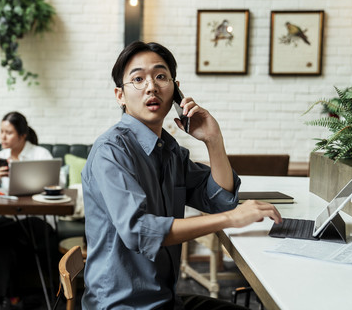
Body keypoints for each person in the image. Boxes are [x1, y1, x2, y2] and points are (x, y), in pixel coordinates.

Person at [81, 41, 282, 310]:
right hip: (123, 304)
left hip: (164, 299)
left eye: (161, 76)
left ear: (176, 90)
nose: (151, 86)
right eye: (138, 79)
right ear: (120, 95)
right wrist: (230, 220)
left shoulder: (170, 150)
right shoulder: (111, 151)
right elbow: (139, 231)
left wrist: (213, 140)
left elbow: (220, 199)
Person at [0, 111, 54, 310]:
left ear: (22, 135)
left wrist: (28, 177)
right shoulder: (0, 157)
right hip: (10, 219)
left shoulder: (40, 154)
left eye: (8, 133)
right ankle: (10, 298)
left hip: (37, 220)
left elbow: (56, 184)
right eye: (1, 132)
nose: (2, 137)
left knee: (1, 237)